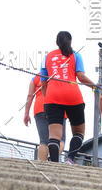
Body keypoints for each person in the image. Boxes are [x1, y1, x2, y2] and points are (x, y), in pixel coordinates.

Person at [40, 31, 97, 164]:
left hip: (52, 97)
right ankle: (70, 159)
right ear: (70, 41)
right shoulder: (76, 55)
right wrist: (95, 87)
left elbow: (43, 83)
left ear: (57, 42)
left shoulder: (47, 57)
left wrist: (47, 98)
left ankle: (54, 163)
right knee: (79, 132)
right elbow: (81, 77)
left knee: (54, 136)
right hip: (73, 96)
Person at [23, 73, 66, 161]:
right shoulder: (60, 75)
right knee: (60, 140)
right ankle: (52, 158)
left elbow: (29, 96)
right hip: (58, 108)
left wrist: (26, 113)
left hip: (40, 109)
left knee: (43, 141)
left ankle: (42, 165)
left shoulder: (35, 78)